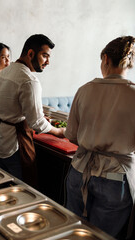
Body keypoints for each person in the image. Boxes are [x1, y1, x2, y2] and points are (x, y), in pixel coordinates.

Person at [65, 36, 135, 239]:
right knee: (101, 236)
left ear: (105, 58)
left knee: (72, 232)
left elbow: (72, 136)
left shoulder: (85, 90)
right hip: (115, 177)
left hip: (80, 170)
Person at [0, 34, 65, 185]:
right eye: (44, 56)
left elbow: (11, 108)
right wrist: (58, 132)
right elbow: (37, 123)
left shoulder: (4, 72)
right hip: (13, 146)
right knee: (20, 192)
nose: (48, 62)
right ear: (30, 53)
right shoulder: (29, 80)